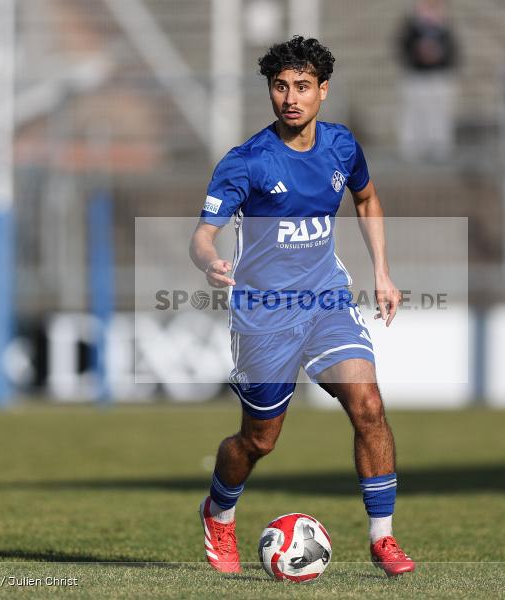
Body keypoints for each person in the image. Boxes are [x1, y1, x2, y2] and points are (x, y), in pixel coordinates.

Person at [189, 36, 415, 577]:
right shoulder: (245, 162)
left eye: (303, 87)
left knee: (368, 406)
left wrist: (382, 271)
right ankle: (219, 511)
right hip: (263, 315)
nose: (291, 97)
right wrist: (209, 261)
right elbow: (202, 236)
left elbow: (366, 198)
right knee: (259, 439)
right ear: (270, 90)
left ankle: (383, 538)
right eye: (281, 86)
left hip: (326, 300)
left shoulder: (341, 147)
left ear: (323, 91)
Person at [397, 0, 461, 163]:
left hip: (439, 76)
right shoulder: (410, 29)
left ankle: (439, 146)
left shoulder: (445, 30)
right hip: (416, 76)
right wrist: (419, 55)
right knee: (414, 113)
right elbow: (402, 49)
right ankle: (413, 148)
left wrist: (437, 55)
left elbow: (453, 52)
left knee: (439, 113)